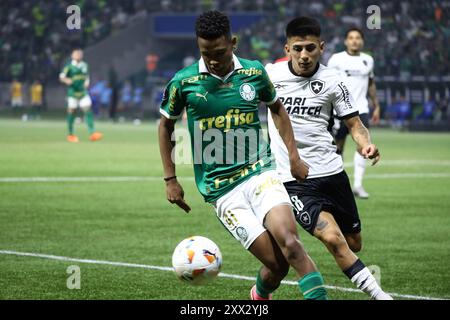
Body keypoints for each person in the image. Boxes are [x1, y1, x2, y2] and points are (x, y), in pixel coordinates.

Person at [159, 11, 328, 300]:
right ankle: (259, 295)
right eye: (206, 53)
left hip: (259, 172)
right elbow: (165, 126)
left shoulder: (253, 72)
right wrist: (170, 179)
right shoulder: (183, 82)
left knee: (291, 244)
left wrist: (294, 157)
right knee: (276, 266)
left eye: (220, 52)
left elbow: (277, 109)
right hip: (221, 190)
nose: (213, 59)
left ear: (233, 43)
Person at [266, 17, 392, 300]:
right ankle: (381, 296)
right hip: (294, 178)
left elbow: (354, 124)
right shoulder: (270, 76)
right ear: (287, 48)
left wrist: (366, 145)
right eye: (297, 48)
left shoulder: (335, 81)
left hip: (332, 173)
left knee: (353, 243)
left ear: (321, 48)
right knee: (333, 240)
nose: (304, 55)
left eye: (310, 48)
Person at [327, 27, 381, 199]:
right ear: (346, 41)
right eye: (351, 37)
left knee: (363, 146)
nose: (354, 40)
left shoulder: (368, 60)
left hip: (361, 109)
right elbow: (328, 82)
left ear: (362, 41)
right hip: (339, 110)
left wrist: (376, 105)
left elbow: (371, 83)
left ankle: (358, 185)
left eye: (358, 37)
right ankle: (336, 186)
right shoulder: (336, 59)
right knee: (337, 148)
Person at [59, 48, 103, 143]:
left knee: (87, 109)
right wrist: (67, 80)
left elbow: (86, 76)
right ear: (72, 56)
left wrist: (87, 82)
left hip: (83, 92)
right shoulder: (69, 66)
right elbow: (62, 76)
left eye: (80, 54)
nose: (78, 55)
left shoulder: (85, 65)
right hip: (73, 92)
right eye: (76, 54)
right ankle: (70, 134)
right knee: (72, 112)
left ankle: (92, 133)